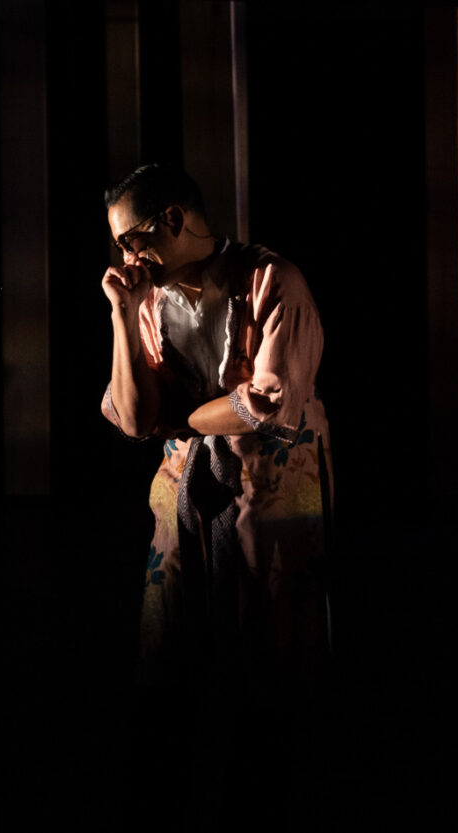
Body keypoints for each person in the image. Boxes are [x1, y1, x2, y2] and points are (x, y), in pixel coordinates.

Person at [100, 163, 333, 819]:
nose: (127, 259)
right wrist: (122, 316)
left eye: (131, 240)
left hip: (277, 486)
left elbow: (268, 403)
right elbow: (134, 417)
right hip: (187, 489)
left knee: (274, 652)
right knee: (170, 645)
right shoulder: (148, 301)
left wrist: (183, 418)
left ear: (173, 220)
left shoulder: (270, 281)